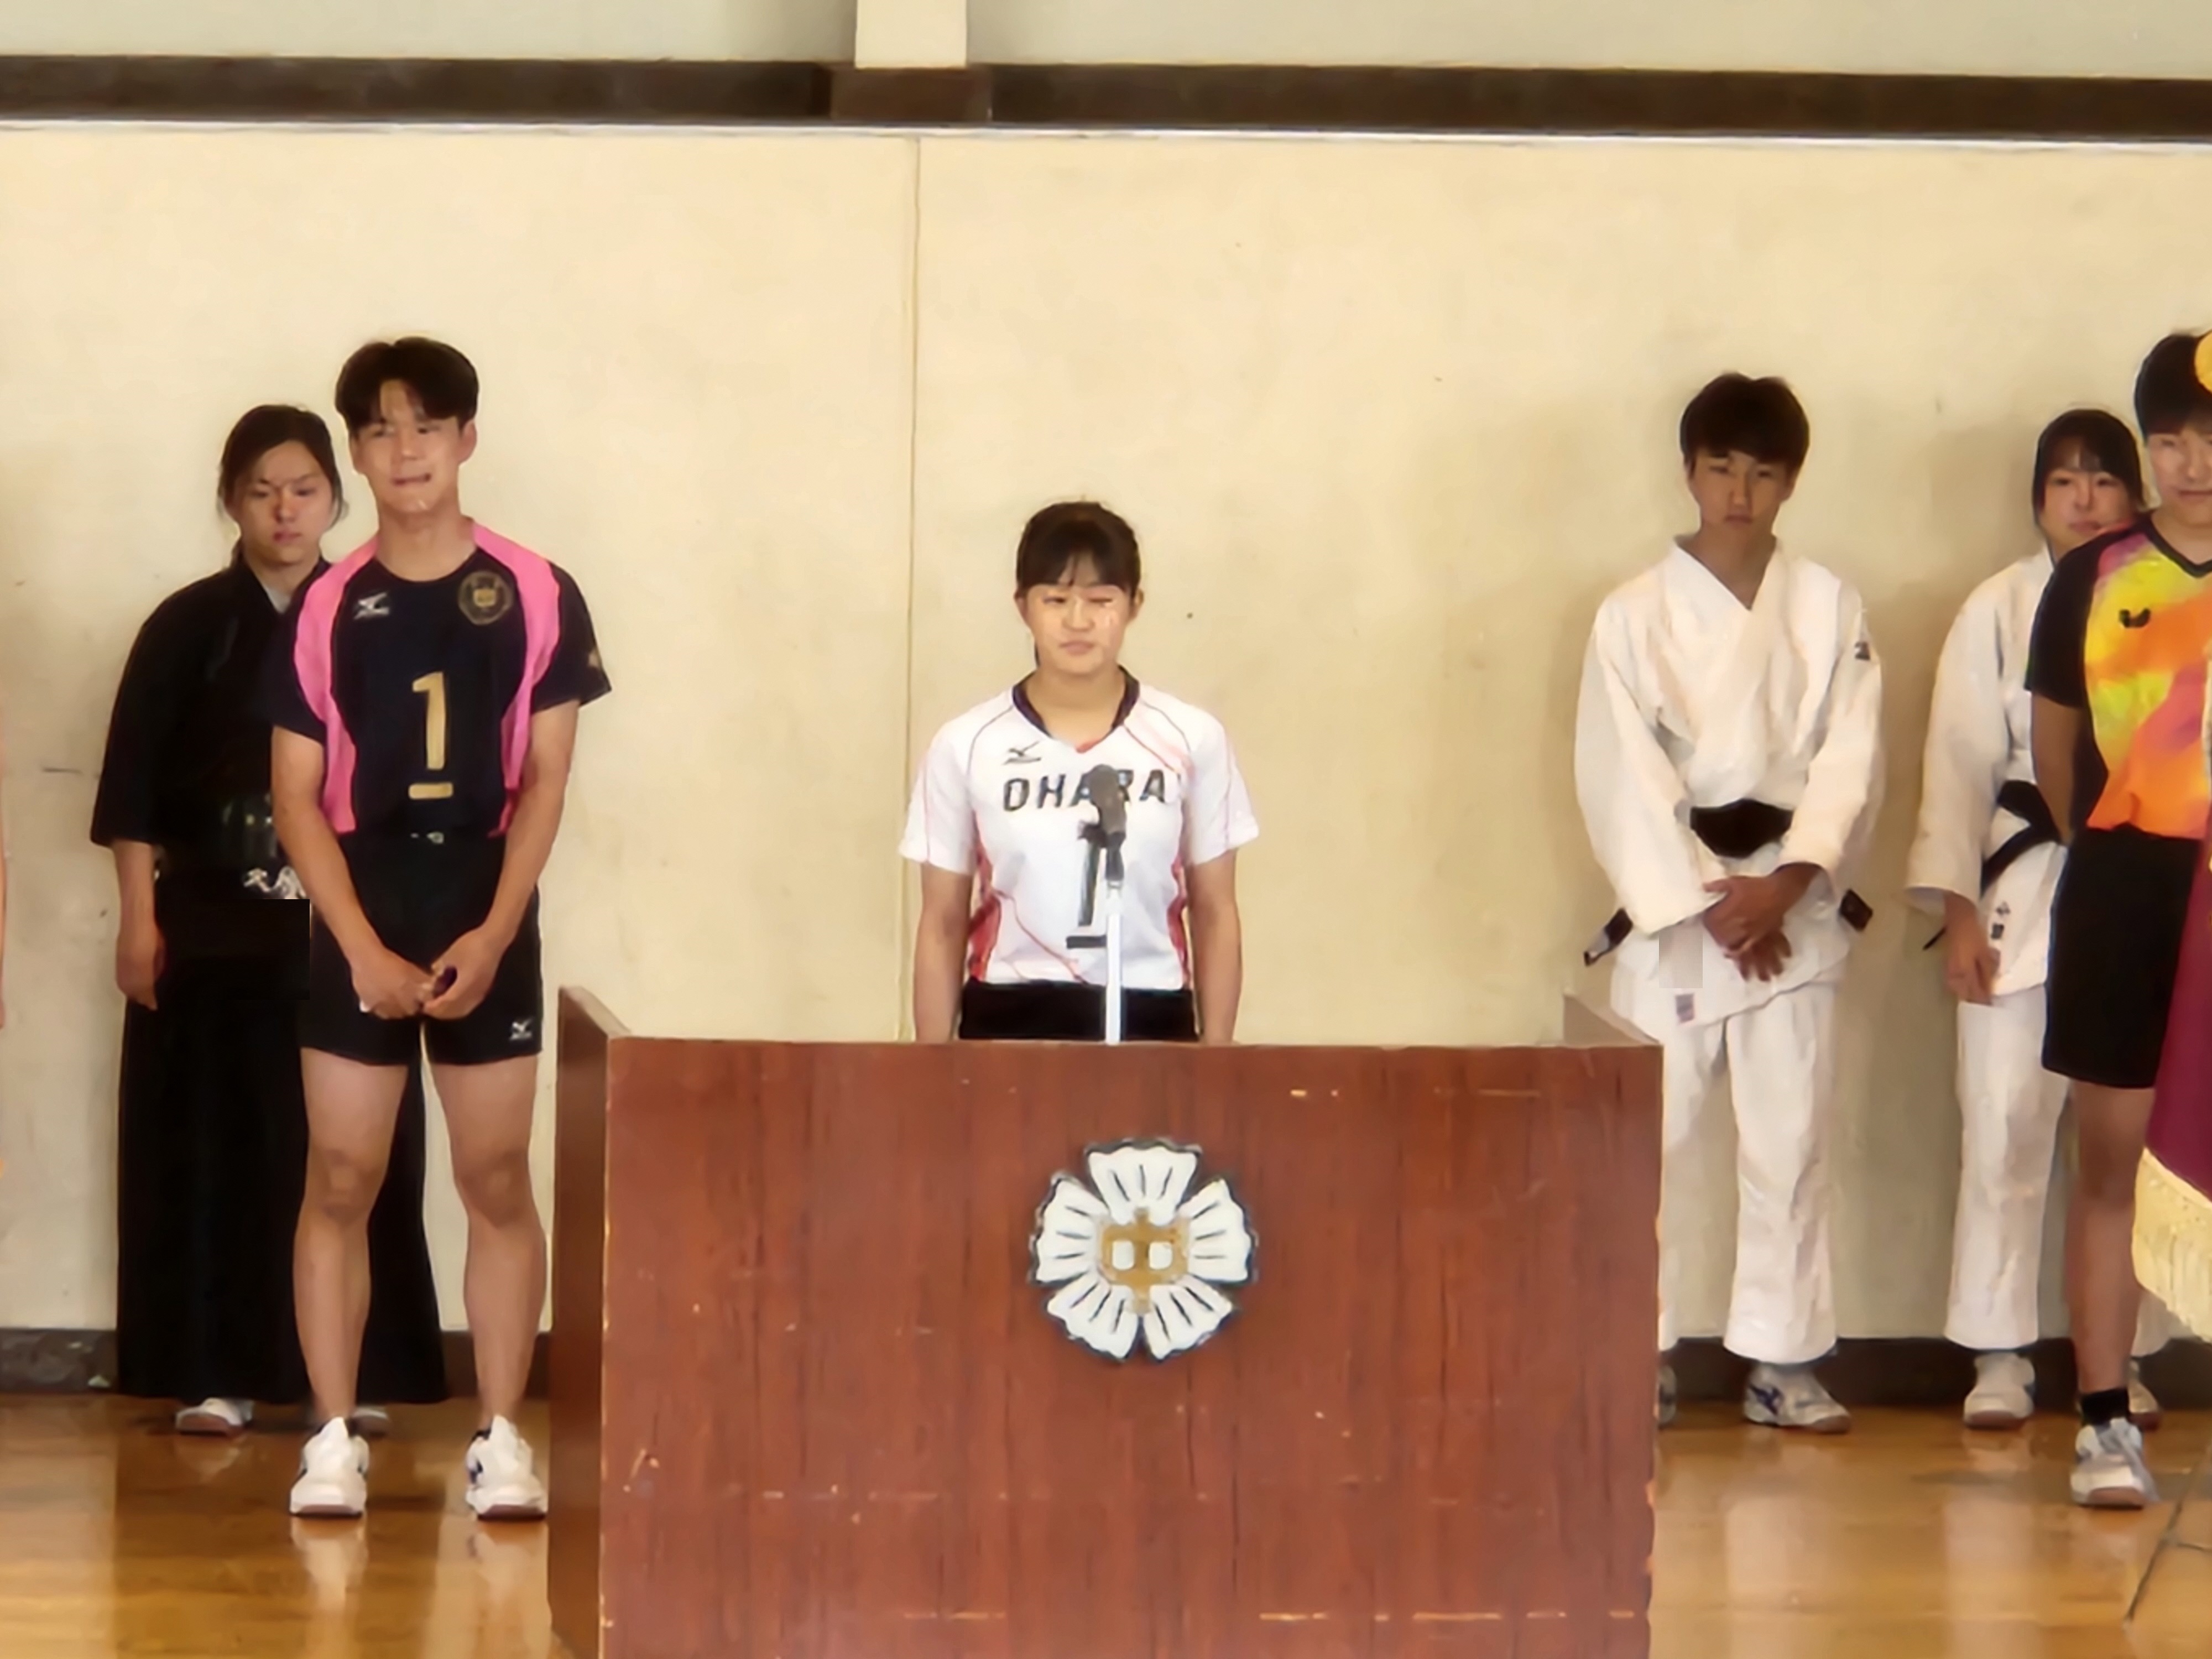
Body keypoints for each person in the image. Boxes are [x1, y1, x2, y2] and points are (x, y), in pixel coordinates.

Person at [262, 340, 609, 1520]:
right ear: (357, 454)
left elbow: (548, 779)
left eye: (426, 426)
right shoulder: (325, 602)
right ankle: (330, 1439)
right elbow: (295, 796)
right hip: (361, 895)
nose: (404, 450)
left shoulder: (537, 588)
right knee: (342, 1173)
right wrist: (359, 946)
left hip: (482, 893)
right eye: (379, 429)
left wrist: (498, 929)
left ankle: (502, 1435)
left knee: (494, 1173)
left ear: (466, 439)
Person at [94, 406, 446, 1438]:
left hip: (349, 925)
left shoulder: (374, 613)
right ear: (231, 501)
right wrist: (138, 920)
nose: (285, 511)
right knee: (218, 1147)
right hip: (211, 926)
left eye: (303, 490)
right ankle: (217, 1369)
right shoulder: (186, 627)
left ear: (336, 498)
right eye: (261, 491)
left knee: (346, 1152)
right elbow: (133, 789)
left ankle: (351, 1371)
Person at [1575, 374, 1883, 1433]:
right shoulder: (1632, 614)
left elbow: (1852, 761)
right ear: (1689, 473)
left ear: (1791, 481)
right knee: (1647, 1149)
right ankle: (1637, 1351)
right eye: (1721, 469)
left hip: (1792, 911)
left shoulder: (1831, 606)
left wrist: (1787, 885)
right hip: (1682, 913)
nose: (1739, 493)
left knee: (1789, 1145)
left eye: (1762, 472)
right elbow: (1620, 773)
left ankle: (1783, 1362)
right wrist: (1714, 902)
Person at [1909, 410, 2172, 1433]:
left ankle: (2125, 1356)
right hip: (2021, 886)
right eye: (2064, 482)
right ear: (2036, 499)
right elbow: (1956, 764)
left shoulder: (2165, 591)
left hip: (2143, 880)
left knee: (2132, 1146)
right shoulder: (1997, 606)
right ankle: (1999, 1351)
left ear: (2135, 495)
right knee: (2005, 1123)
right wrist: (1957, 914)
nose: (2085, 500)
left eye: (2104, 481)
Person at [2028, 332, 2212, 1509]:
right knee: (2111, 1161)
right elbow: (2056, 761)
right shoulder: (2091, 577)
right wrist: (2122, 848)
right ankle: (2102, 1422)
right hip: (2125, 892)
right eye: (2170, 442)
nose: (2193, 465)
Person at [904, 501, 1255, 1044]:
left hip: (1151, 1011)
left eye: (1100, 600)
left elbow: (1215, 911)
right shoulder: (967, 744)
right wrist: (932, 1068)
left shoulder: (1191, 738)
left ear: (1134, 605)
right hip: (1009, 1015)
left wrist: (1217, 1059)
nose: (1077, 621)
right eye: (1056, 599)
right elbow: (942, 921)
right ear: (1023, 607)